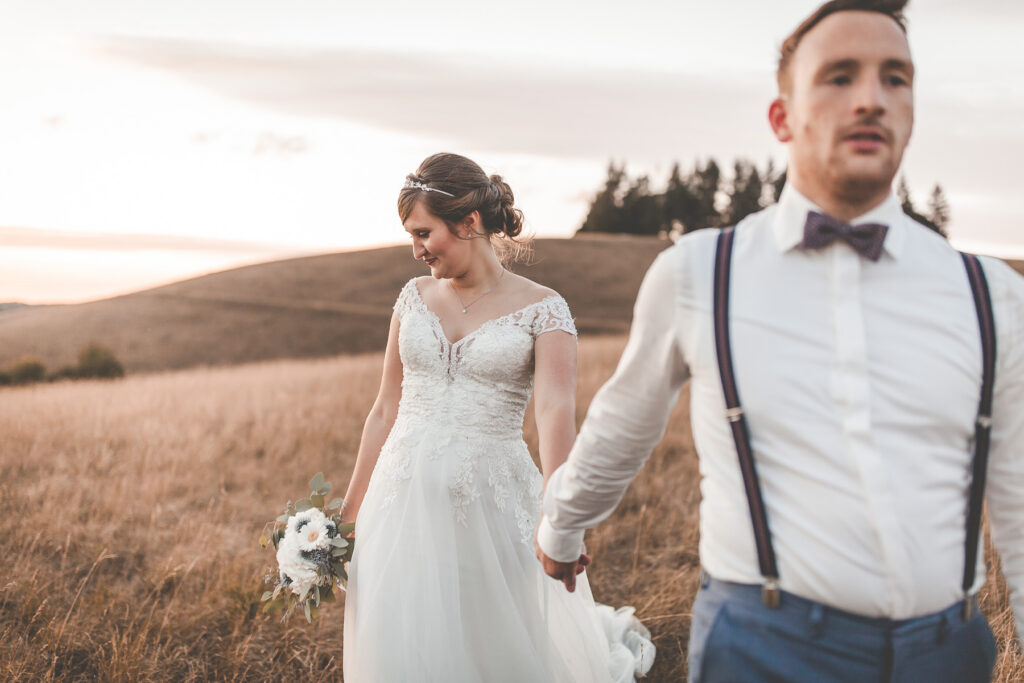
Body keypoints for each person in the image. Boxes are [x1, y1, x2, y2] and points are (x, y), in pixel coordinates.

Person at [535, 1, 1024, 682]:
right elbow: (624, 421)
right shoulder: (701, 272)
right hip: (762, 648)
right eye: (840, 76)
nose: (871, 99)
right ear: (782, 117)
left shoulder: (991, 293)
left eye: (895, 78)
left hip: (949, 652)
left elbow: (1020, 491)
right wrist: (561, 527)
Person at [341, 152, 654, 682]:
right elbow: (384, 408)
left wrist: (562, 518)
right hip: (400, 494)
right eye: (410, 237)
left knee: (493, 630)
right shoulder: (411, 299)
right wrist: (347, 514)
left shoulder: (544, 308)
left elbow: (555, 414)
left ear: (469, 223)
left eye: (423, 233)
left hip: (491, 497)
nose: (415, 251)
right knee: (403, 625)